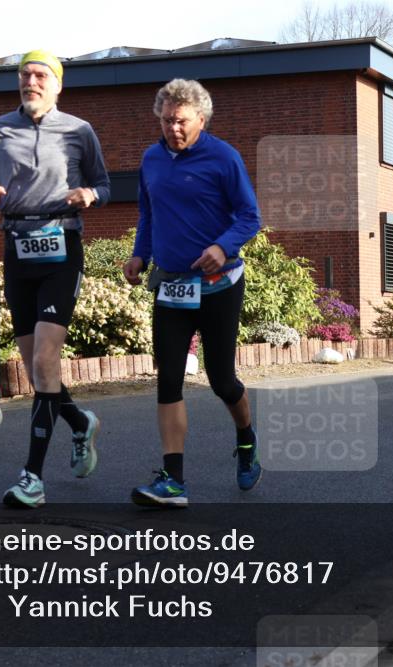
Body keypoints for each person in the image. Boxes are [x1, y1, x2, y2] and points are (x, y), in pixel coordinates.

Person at [0, 50, 111, 507]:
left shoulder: (79, 130)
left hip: (61, 246)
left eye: (40, 75)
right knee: (36, 370)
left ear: (57, 84)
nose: (31, 81)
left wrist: (90, 193)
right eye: (25, 74)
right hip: (17, 248)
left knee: (46, 360)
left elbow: (107, 186)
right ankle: (80, 423)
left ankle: (32, 477)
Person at [123, 79, 262, 507]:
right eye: (166, 121)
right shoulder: (151, 159)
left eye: (180, 121)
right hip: (172, 285)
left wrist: (223, 247)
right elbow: (148, 213)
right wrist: (139, 254)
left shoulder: (224, 158)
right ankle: (173, 479)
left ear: (201, 118)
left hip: (219, 285)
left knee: (221, 379)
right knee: (168, 377)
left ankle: (245, 439)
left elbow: (249, 216)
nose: (172, 129)